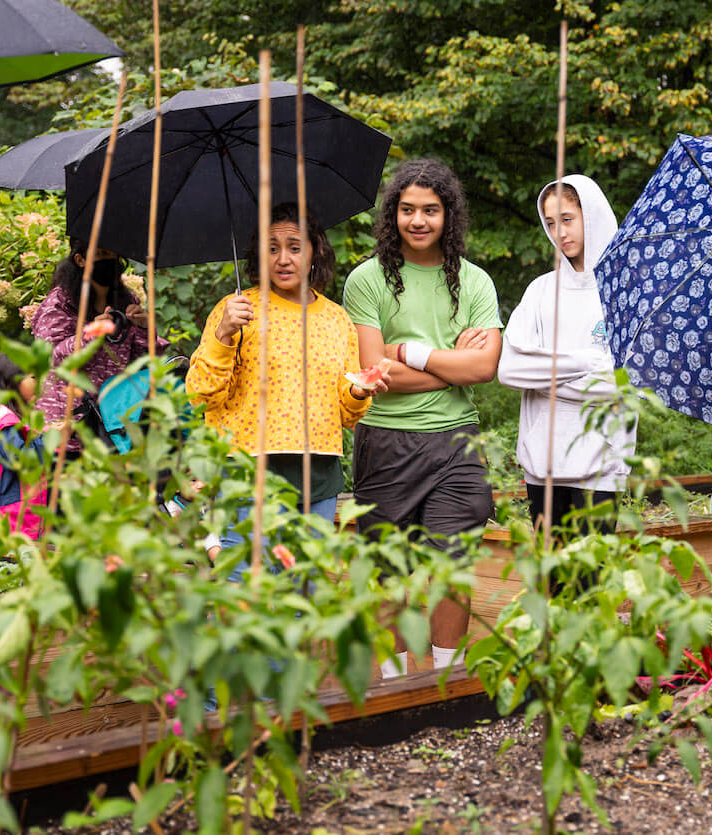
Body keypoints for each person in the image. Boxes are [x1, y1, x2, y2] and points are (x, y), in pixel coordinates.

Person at [342, 159, 502, 677]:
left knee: (452, 564)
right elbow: (372, 374)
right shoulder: (367, 279)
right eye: (408, 209)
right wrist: (453, 364)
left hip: (458, 444)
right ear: (393, 215)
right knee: (390, 570)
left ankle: (443, 680)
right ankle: (392, 689)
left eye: (430, 210)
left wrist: (408, 352)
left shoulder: (475, 282)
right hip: (386, 440)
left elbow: (486, 367)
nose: (418, 220)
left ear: (447, 215)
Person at [186, 203, 387, 575]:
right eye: (272, 247)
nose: (283, 257)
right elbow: (200, 394)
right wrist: (224, 334)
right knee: (246, 587)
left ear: (315, 252)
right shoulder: (235, 310)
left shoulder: (336, 320)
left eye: (294, 246)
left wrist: (359, 394)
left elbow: (345, 415)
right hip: (248, 470)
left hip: (319, 474)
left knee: (305, 592)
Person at [497, 175, 635, 537]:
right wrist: (588, 362)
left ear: (592, 214)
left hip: (603, 464)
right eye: (550, 222)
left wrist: (546, 374)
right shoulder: (540, 290)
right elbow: (510, 369)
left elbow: (621, 384)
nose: (560, 231)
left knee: (591, 586)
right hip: (541, 463)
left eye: (568, 219)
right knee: (553, 584)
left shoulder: (625, 292)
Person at [31, 239, 167, 454]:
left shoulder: (127, 300)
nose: (110, 260)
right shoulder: (59, 303)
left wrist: (143, 328)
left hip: (114, 426)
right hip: (68, 428)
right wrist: (92, 333)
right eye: (101, 254)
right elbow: (51, 356)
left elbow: (144, 361)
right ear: (80, 259)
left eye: (114, 254)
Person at [0, 355, 47, 540]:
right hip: (11, 516)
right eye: (33, 378)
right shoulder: (3, 419)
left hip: (17, 513)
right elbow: (21, 458)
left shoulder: (10, 417)